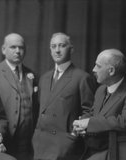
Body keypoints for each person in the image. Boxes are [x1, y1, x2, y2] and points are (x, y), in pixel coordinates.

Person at [32, 32, 96, 160]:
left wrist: (73, 135)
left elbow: (89, 111)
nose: (57, 50)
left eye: (61, 46)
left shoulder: (82, 78)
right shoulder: (44, 78)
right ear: (50, 50)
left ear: (71, 49)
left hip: (64, 145)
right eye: (53, 46)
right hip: (40, 144)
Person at [72, 49, 126, 160]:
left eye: (98, 66)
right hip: (90, 150)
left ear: (111, 71)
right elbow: (92, 113)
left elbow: (124, 122)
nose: (93, 69)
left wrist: (88, 123)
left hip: (113, 153)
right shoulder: (100, 90)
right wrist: (81, 124)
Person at [0, 33, 38, 160]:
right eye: (13, 47)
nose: (18, 51)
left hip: (26, 144)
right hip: (1, 142)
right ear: (3, 49)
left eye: (21, 47)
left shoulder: (31, 75)